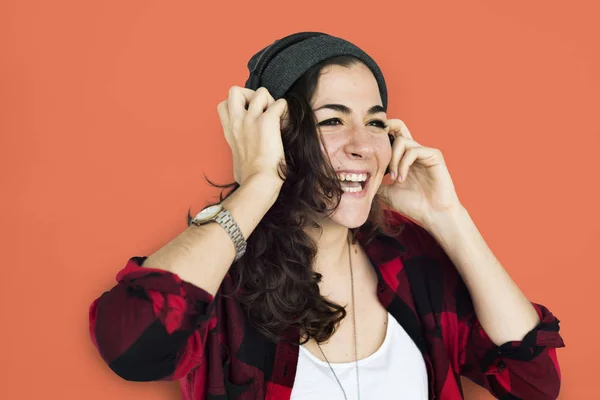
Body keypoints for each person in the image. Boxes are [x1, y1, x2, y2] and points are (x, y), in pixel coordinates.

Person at [88, 32, 565, 400]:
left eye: (375, 122)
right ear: (277, 135)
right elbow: (135, 348)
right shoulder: (220, 276)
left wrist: (449, 218)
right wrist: (258, 183)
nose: (362, 145)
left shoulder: (413, 261)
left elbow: (533, 382)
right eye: (332, 120)